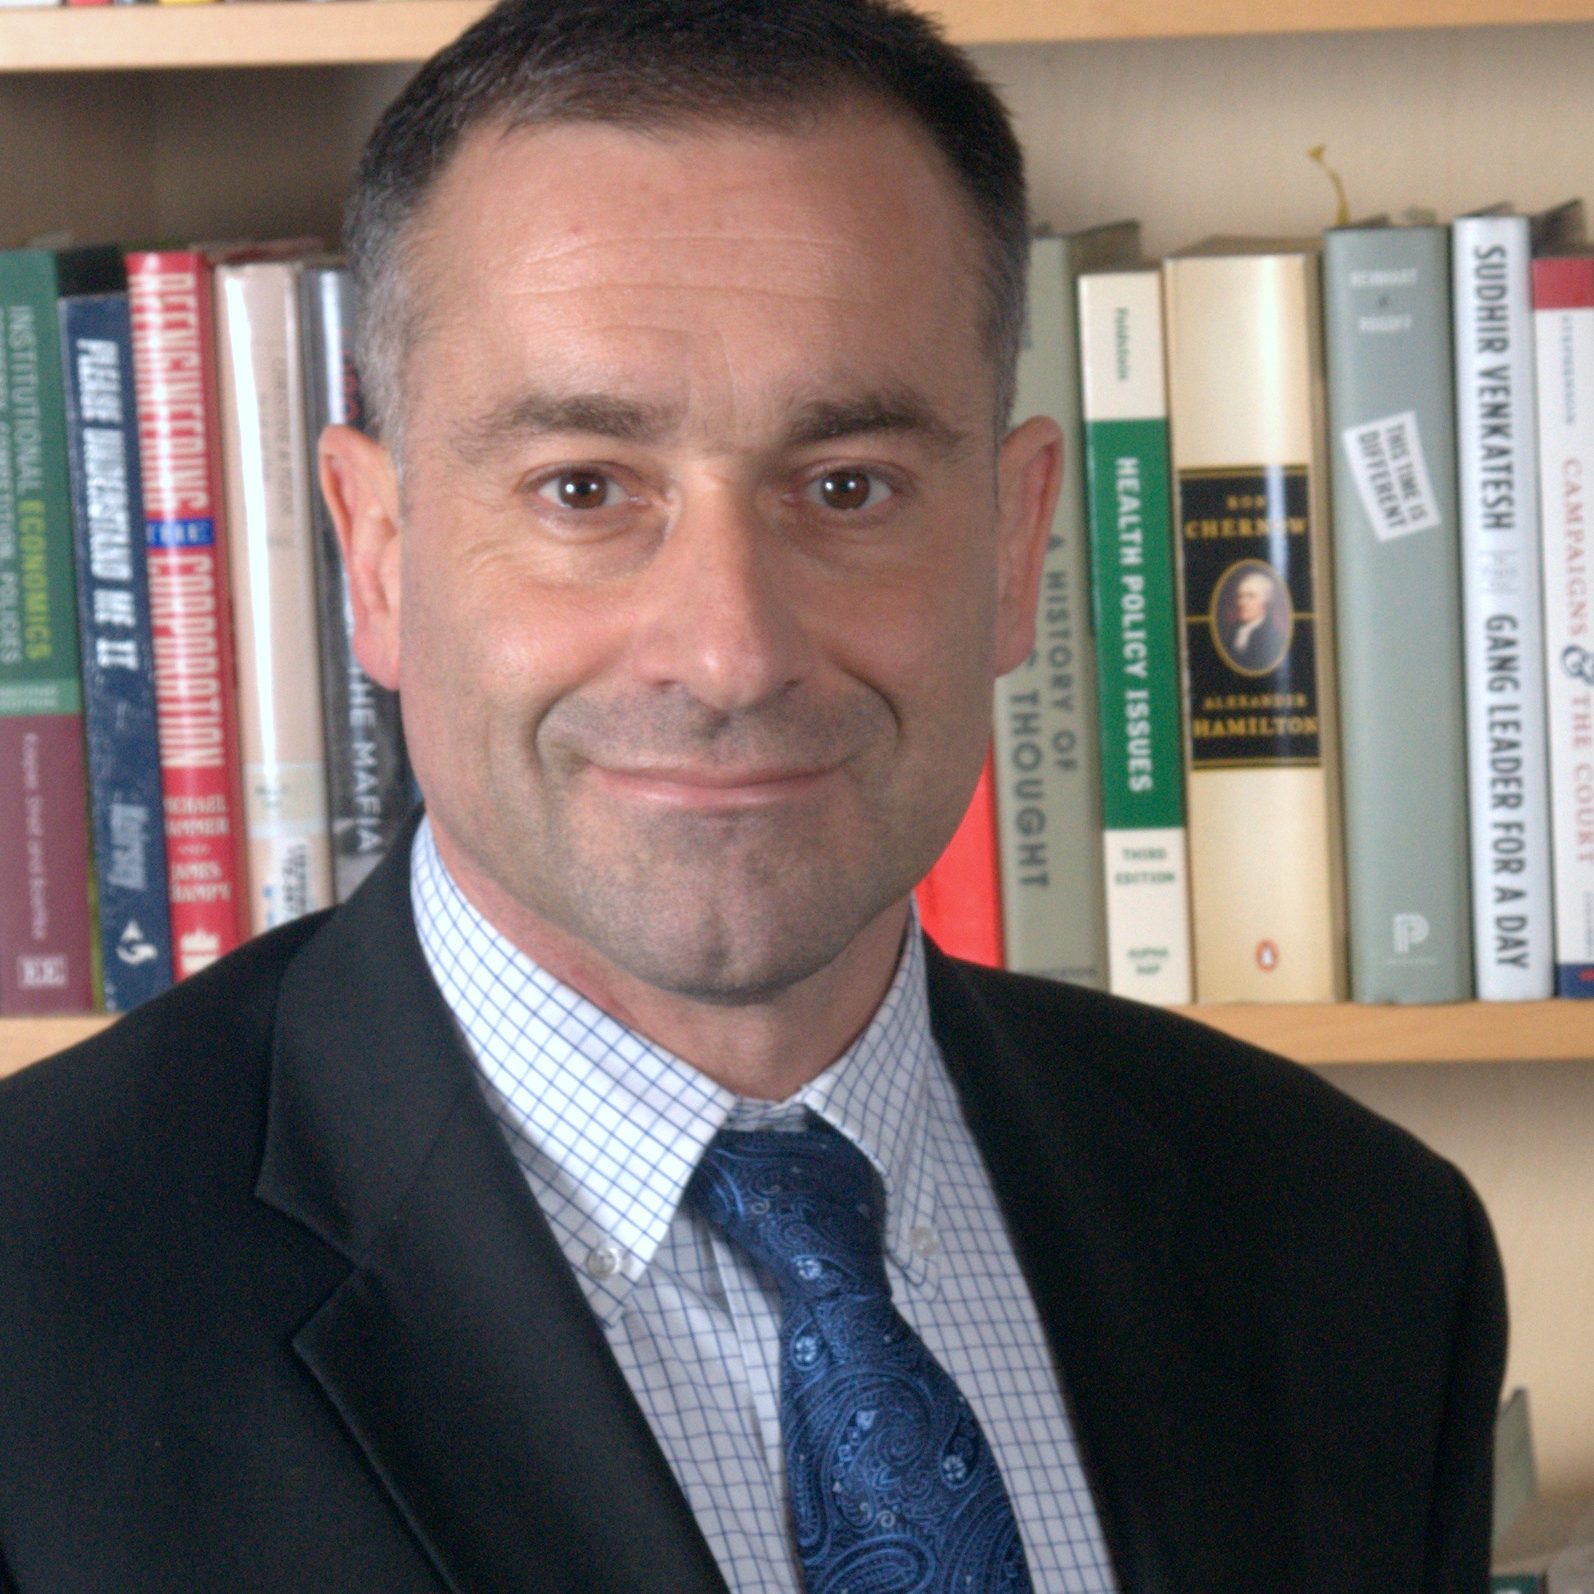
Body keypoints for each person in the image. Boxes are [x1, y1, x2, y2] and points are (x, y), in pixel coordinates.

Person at [0, 1, 1505, 1590]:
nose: (728, 652)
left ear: (1014, 546)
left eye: (846, 486)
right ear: (376, 554)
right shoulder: (35, 1308)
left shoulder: (1358, 1246)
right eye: (583, 487)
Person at [1219, 564, 1290, 674]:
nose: (1241, 602)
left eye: (1250, 596)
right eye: (1240, 596)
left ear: (1265, 601)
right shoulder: (1232, 632)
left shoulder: (1276, 636)